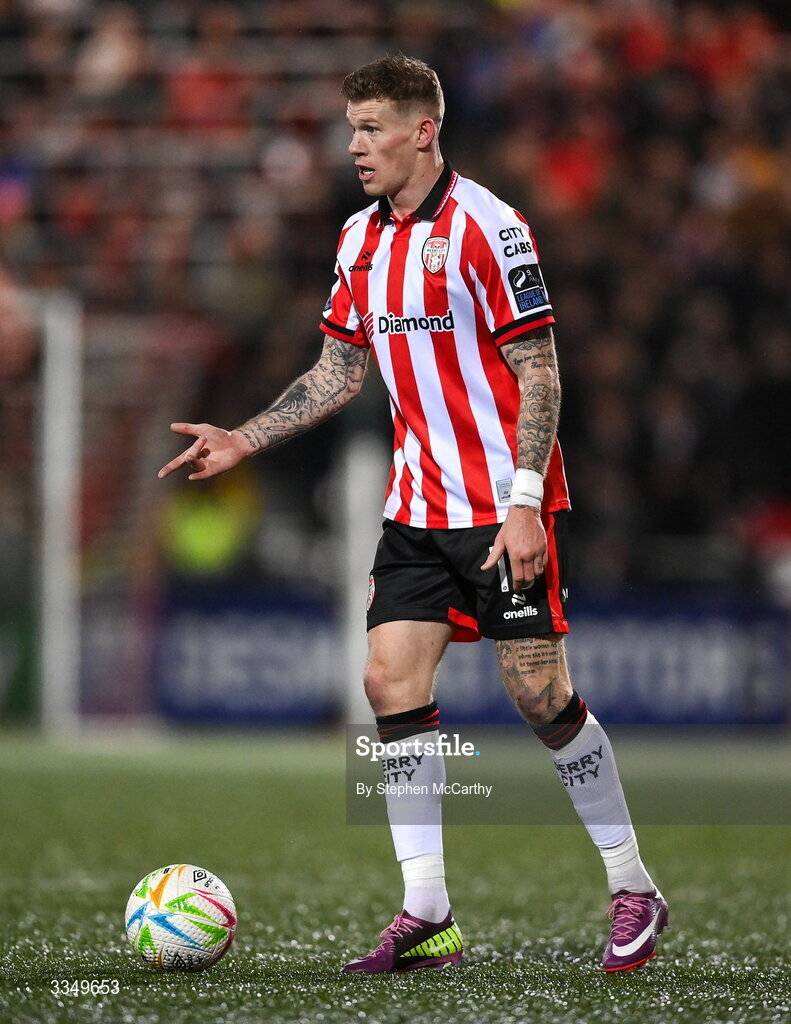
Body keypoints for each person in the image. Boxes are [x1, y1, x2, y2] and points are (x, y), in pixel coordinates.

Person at [159, 55, 669, 974]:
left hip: (500, 507)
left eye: (370, 127)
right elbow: (337, 370)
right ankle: (427, 910)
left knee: (538, 696)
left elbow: (540, 371)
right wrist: (242, 437)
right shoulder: (357, 239)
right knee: (389, 683)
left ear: (422, 131)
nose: (354, 145)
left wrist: (522, 506)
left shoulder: (491, 228)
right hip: (417, 508)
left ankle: (633, 881)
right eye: (351, 127)